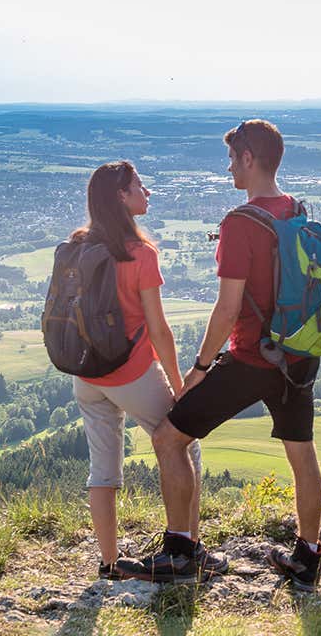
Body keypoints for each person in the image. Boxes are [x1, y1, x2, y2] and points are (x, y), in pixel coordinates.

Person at [147, 119, 321, 589]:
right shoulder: (295, 209)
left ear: (249, 158)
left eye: (232, 158)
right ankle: (308, 559)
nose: (228, 167)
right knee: (302, 452)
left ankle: (182, 551)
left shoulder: (239, 223)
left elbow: (227, 310)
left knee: (169, 437)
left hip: (251, 358)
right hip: (298, 355)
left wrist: (200, 367)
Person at [68, 161, 225, 581]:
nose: (148, 192)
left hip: (86, 376)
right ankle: (188, 551)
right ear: (121, 196)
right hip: (131, 375)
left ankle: (109, 564)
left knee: (103, 471)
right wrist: (180, 386)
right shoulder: (141, 253)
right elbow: (158, 329)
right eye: (140, 185)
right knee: (183, 447)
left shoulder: (79, 244)